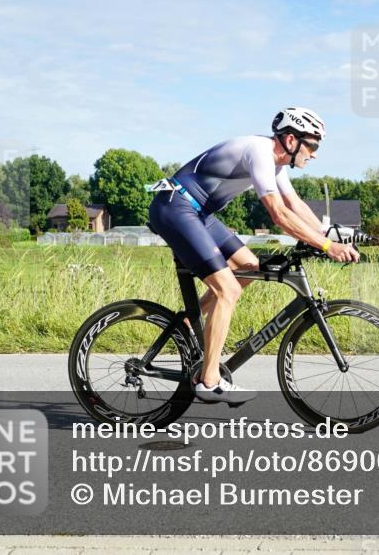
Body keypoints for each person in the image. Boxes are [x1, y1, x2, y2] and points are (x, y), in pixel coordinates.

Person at [147, 107, 359, 405]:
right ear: (290, 139)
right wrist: (326, 247)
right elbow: (278, 214)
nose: (314, 153)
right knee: (228, 289)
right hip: (175, 208)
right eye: (312, 145)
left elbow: (294, 204)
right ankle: (208, 380)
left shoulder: (277, 165)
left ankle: (187, 324)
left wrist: (327, 234)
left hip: (199, 212)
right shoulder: (260, 152)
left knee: (249, 267)